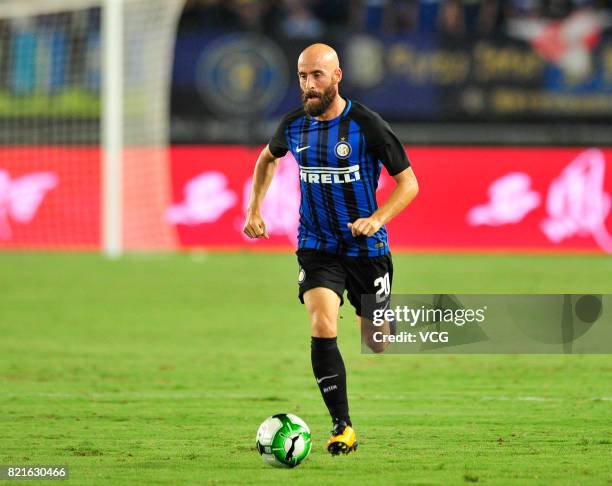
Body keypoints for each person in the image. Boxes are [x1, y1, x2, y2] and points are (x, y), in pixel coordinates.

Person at [243, 43, 419, 455]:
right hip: (316, 244)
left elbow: (409, 183)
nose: (308, 84)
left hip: (365, 247)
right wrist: (254, 208)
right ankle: (343, 427)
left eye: (317, 75)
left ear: (338, 76)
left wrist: (377, 218)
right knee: (322, 325)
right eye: (303, 76)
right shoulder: (294, 126)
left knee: (377, 341)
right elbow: (267, 159)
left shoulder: (367, 125)